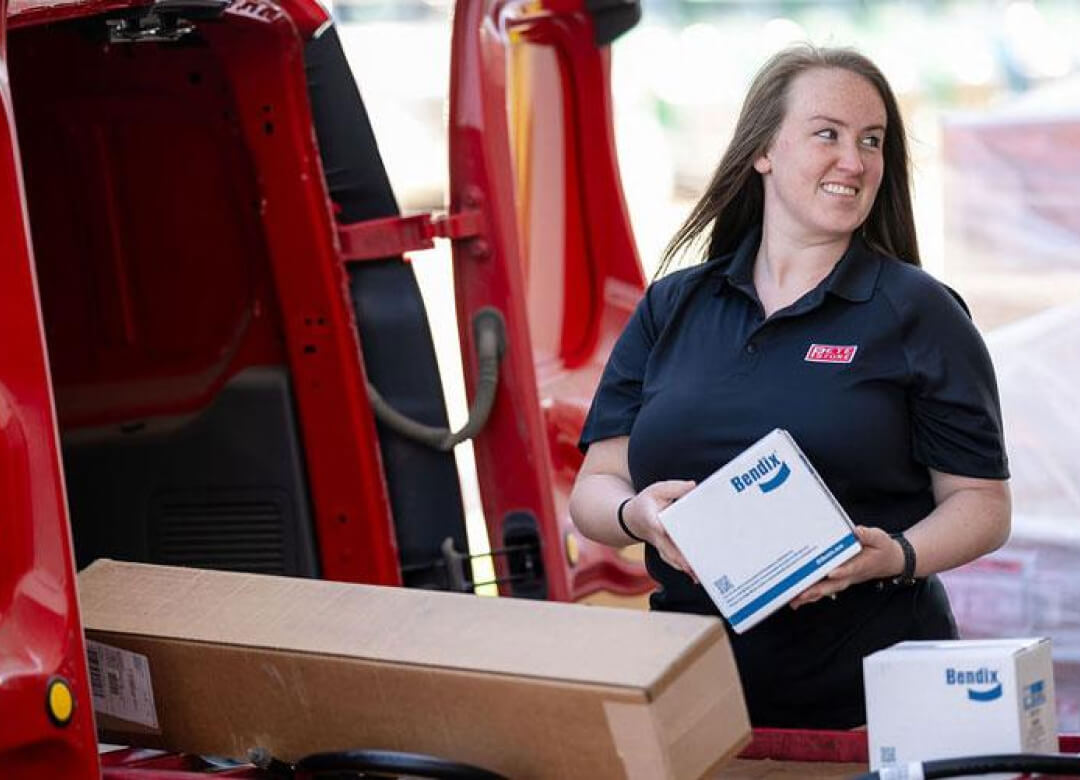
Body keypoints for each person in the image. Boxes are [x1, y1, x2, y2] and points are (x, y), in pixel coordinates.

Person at [569, 45, 1011, 729]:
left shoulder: (918, 311)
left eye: (872, 142)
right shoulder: (674, 306)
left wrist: (894, 557)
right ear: (763, 151)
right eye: (827, 134)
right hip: (691, 693)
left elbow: (982, 504)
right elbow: (596, 487)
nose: (855, 161)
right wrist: (639, 518)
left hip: (871, 701)